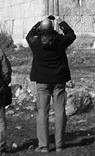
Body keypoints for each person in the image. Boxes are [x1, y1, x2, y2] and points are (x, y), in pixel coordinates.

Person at [26, 15, 76, 153]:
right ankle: (59, 144)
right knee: (60, 111)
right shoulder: (60, 41)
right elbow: (71, 35)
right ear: (53, 28)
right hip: (59, 79)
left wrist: (39, 22)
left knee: (42, 113)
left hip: (42, 81)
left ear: (41, 29)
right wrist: (61, 22)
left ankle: (43, 146)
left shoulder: (35, 42)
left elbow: (28, 35)